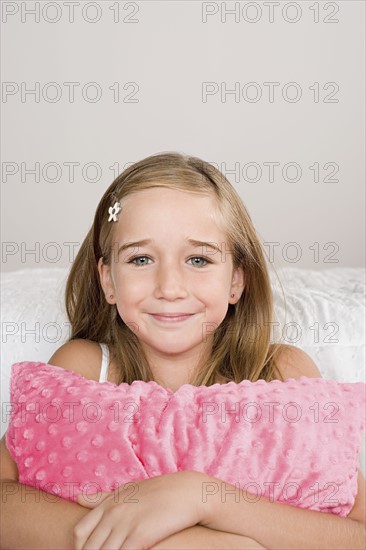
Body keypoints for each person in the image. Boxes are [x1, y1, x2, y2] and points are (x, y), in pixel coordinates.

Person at [1, 151, 365, 549]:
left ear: (236, 280)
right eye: (141, 259)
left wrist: (201, 499)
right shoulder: (85, 369)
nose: (170, 286)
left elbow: (356, 533)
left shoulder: (281, 372)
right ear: (108, 280)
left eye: (198, 259)